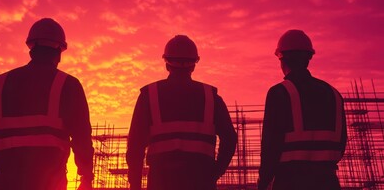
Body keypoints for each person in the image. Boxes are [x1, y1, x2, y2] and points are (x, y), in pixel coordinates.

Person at [0, 18, 94, 190]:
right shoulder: (68, 85)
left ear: (31, 50)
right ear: (58, 52)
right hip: (50, 184)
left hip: (5, 182)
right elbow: (82, 137)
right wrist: (86, 176)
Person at [126, 35, 237, 190]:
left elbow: (135, 146)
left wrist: (135, 184)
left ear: (166, 64)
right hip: (201, 182)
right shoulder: (211, 97)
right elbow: (230, 139)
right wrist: (215, 173)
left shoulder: (149, 96)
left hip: (162, 182)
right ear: (194, 65)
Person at [258, 29, 347, 190]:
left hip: (290, 182)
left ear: (282, 58)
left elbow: (270, 147)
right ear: (308, 58)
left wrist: (263, 181)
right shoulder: (333, 94)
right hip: (328, 182)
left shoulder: (280, 93)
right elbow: (341, 145)